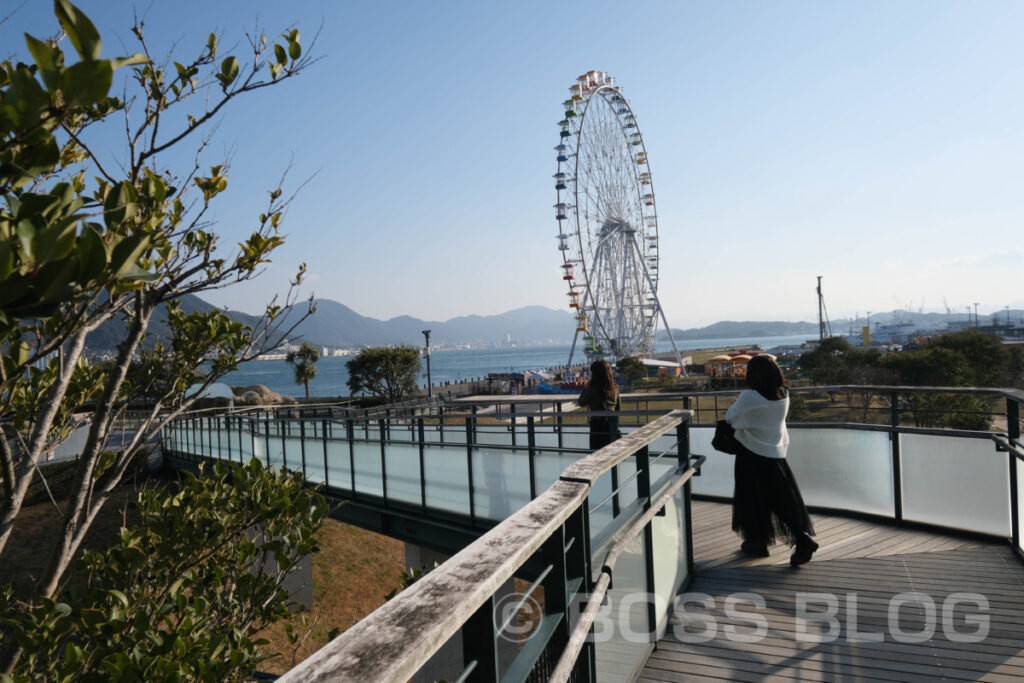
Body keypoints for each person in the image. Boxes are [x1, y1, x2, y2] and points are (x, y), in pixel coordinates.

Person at [725, 354, 818, 566]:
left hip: (751, 455)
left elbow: (731, 417)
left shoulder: (750, 397)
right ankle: (801, 538)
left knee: (752, 500)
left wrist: (738, 402)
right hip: (775, 455)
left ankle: (757, 542)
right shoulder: (783, 394)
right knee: (781, 500)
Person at [577, 360, 621, 450]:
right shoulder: (615, 388)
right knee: (611, 453)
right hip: (611, 425)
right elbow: (618, 407)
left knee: (596, 454)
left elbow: (581, 402)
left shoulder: (593, 389)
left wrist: (586, 387)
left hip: (597, 425)